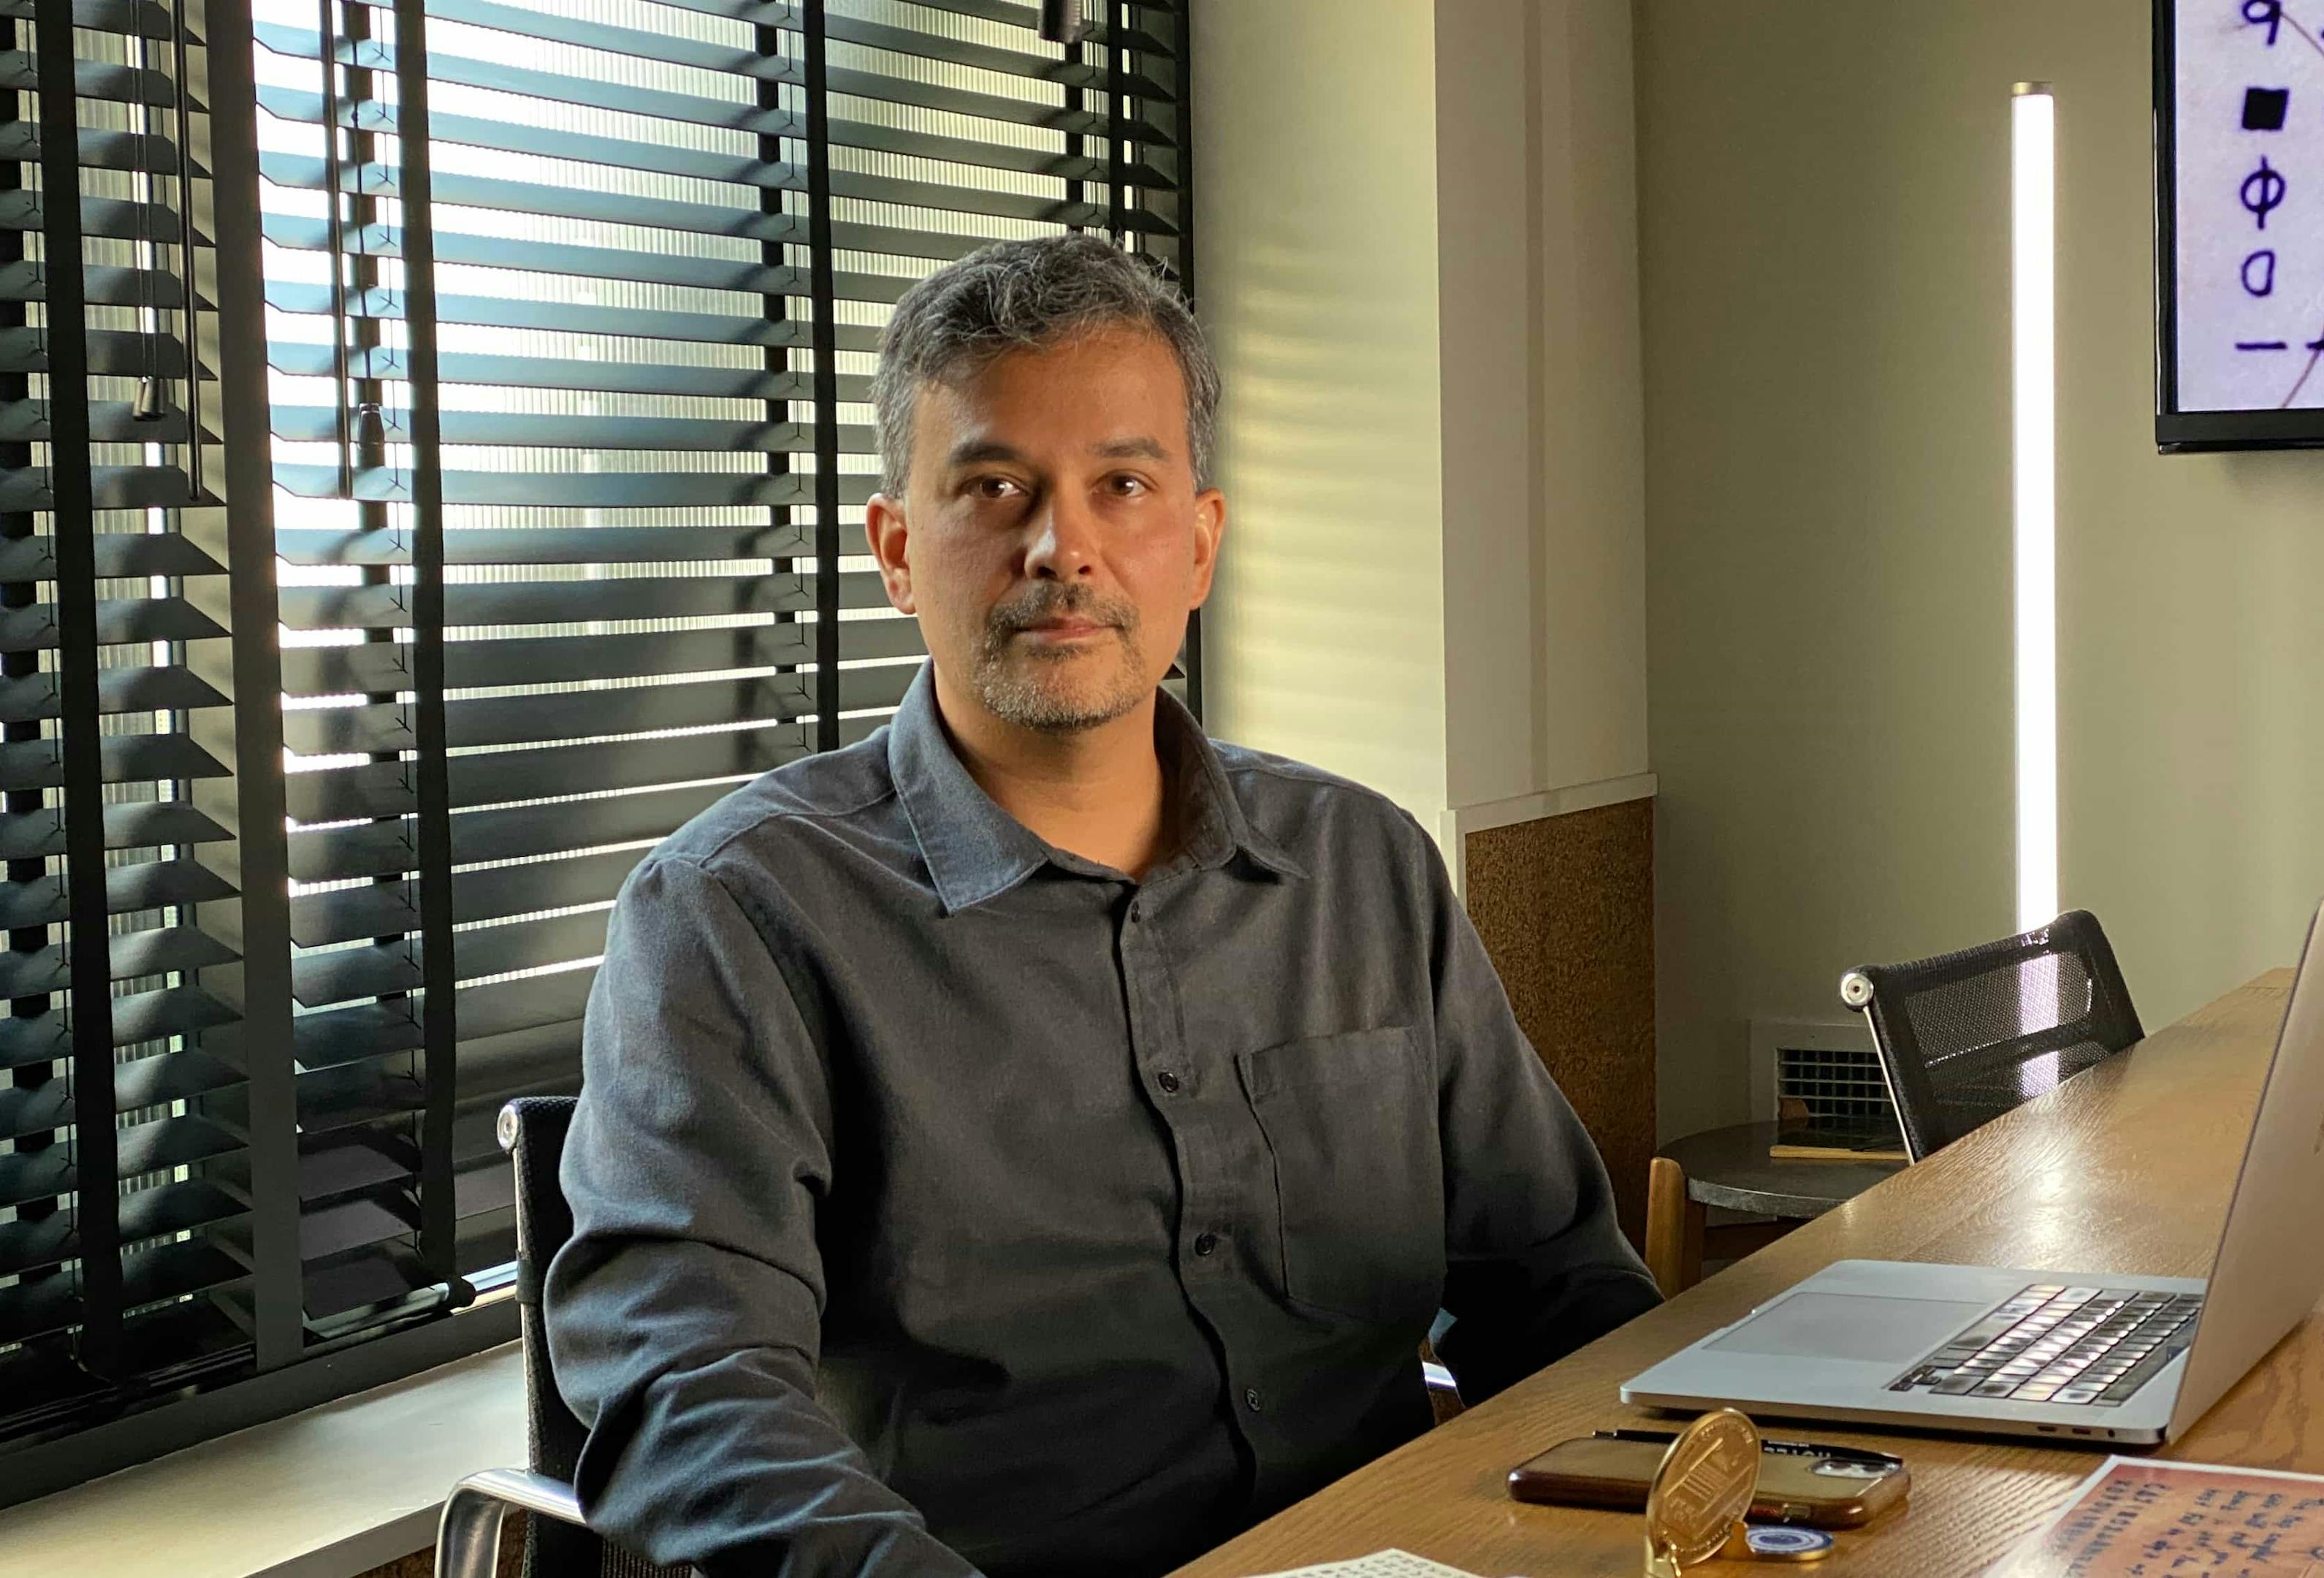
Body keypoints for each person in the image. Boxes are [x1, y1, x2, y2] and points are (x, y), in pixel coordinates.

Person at [545, 234, 1660, 1578]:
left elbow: (1553, 1286)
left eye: (1120, 485)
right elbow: (690, 1396)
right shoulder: (734, 916)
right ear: (898, 552)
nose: (1059, 547)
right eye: (996, 487)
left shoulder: (1364, 865)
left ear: (1199, 547)